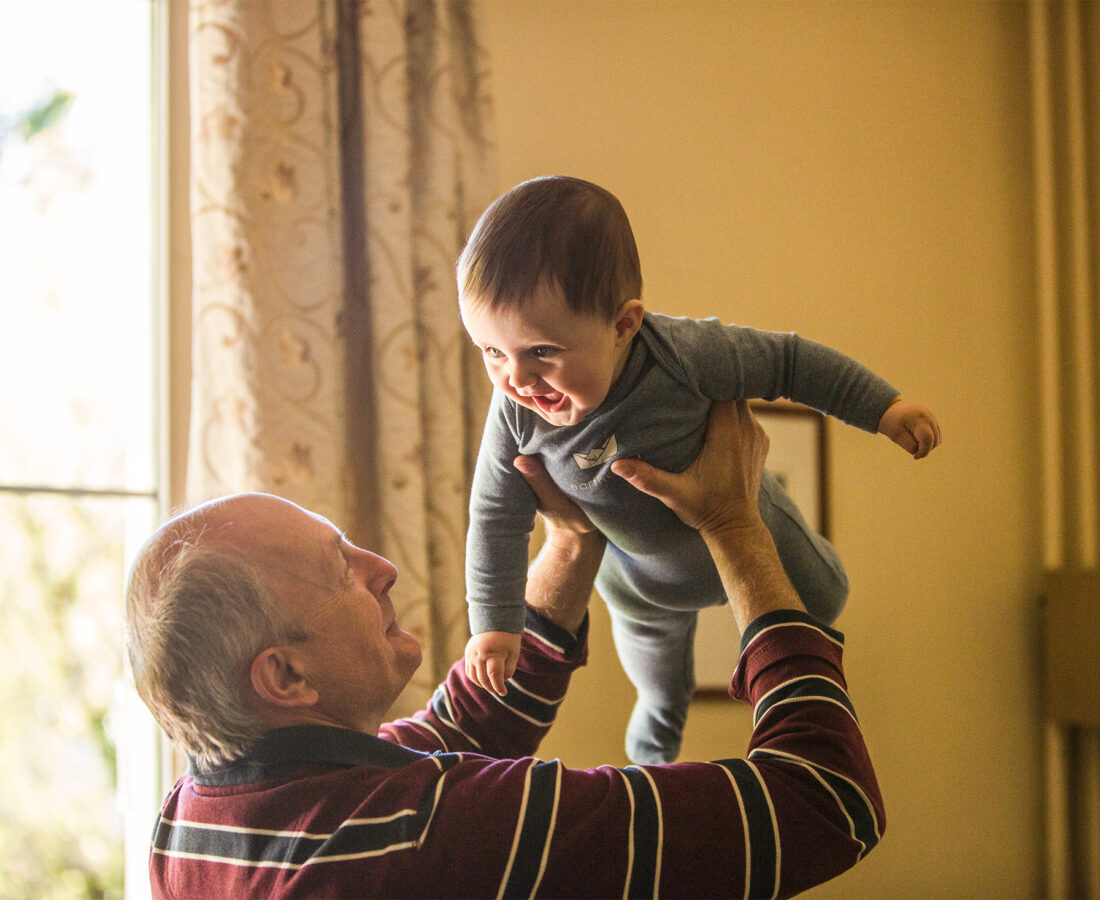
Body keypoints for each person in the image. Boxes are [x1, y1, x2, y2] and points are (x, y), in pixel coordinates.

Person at [126, 400, 885, 899]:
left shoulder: (192, 822)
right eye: (341, 569)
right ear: (285, 675)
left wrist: (572, 538)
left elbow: (461, 726)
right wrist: (734, 525)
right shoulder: (433, 834)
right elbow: (824, 801)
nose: (381, 569)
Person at [459, 174, 941, 763]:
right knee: (661, 687)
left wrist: (884, 407)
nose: (517, 379)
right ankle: (653, 758)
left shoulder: (685, 355)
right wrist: (495, 624)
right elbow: (494, 517)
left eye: (542, 352)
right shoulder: (515, 413)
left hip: (752, 524)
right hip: (640, 584)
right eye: (491, 352)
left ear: (623, 325)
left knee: (826, 597)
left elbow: (789, 362)